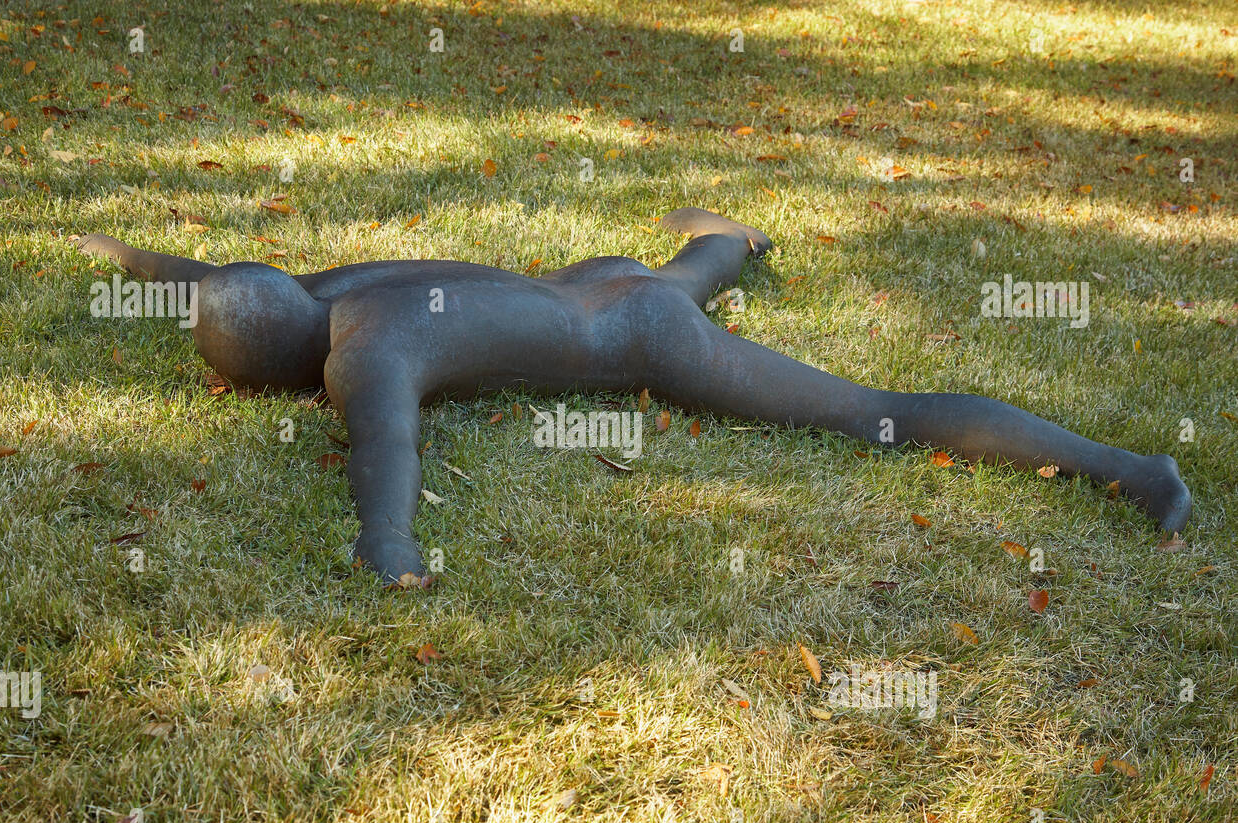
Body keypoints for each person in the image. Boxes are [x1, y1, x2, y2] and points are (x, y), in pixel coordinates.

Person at [73, 208, 1191, 583]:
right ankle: (725, 237)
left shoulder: (360, 345)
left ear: (278, 366)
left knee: (869, 411)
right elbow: (220, 283)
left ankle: (1132, 470)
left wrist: (388, 540)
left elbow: (387, 447)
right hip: (597, 287)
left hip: (633, 332)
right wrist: (127, 254)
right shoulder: (337, 288)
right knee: (677, 282)